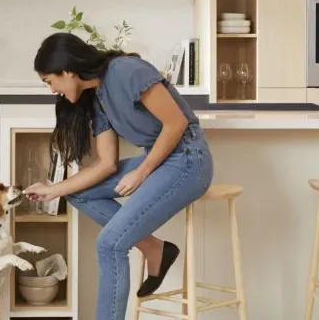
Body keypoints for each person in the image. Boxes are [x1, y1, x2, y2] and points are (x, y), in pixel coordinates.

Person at [24, 33, 213, 320]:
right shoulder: (97, 99)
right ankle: (154, 248)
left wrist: (141, 172)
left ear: (68, 71)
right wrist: (53, 190)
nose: (51, 90)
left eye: (49, 81)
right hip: (161, 160)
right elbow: (106, 165)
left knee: (110, 244)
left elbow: (176, 123)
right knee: (76, 192)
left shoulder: (125, 70)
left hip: (189, 159)